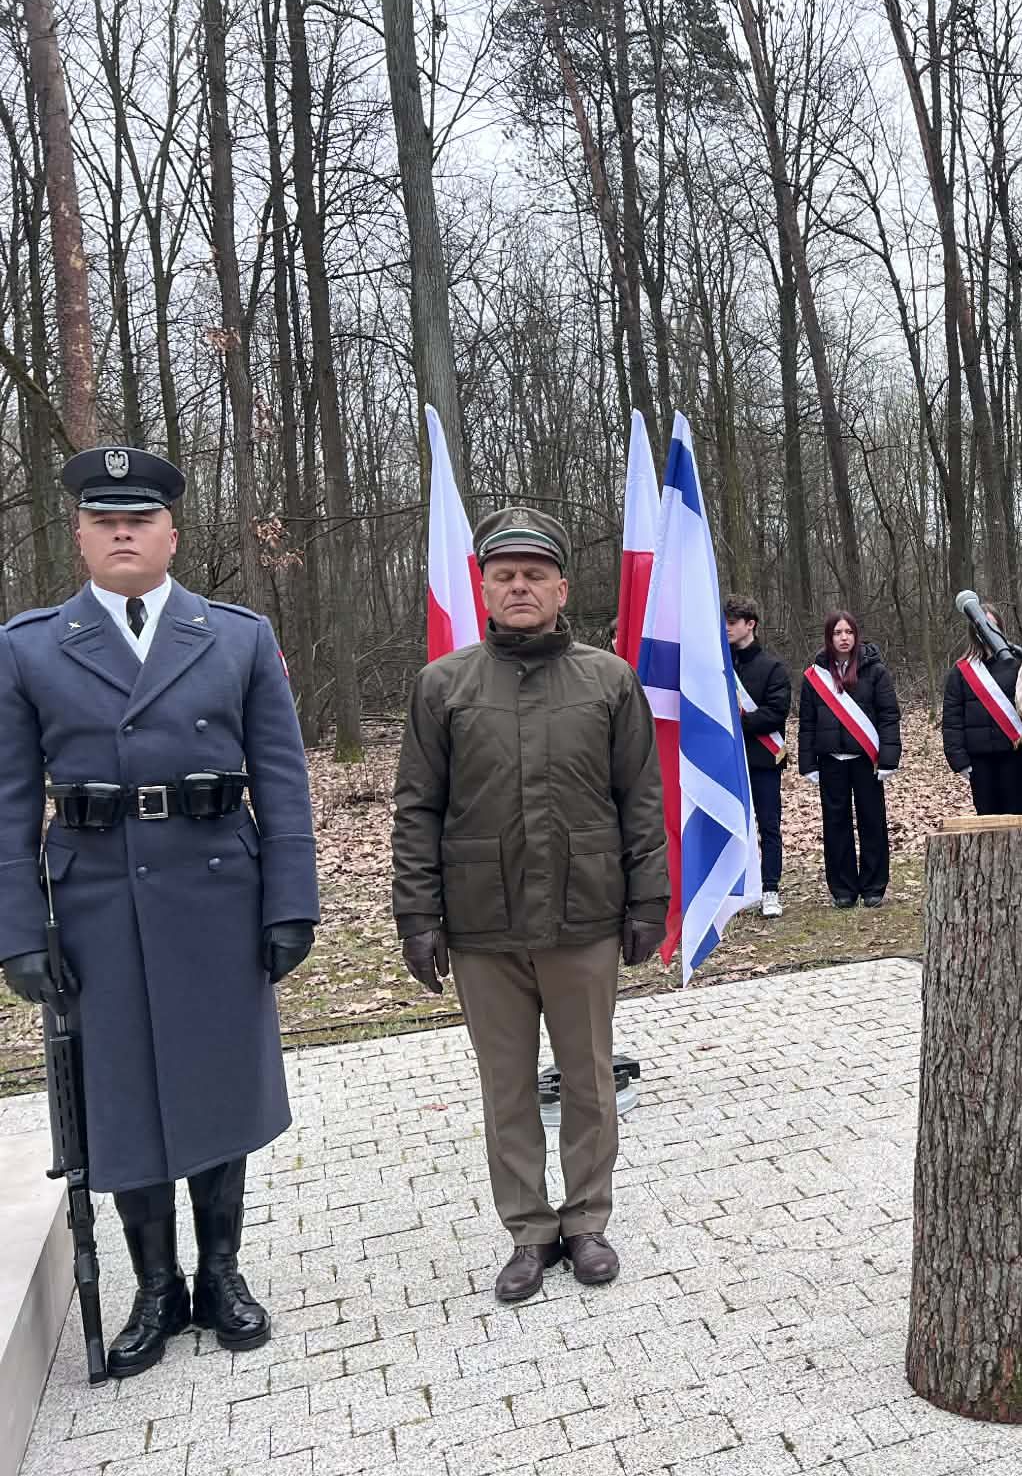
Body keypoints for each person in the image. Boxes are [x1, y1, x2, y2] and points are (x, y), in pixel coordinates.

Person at [0, 447, 318, 1377]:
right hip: (96, 903)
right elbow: (10, 804)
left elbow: (284, 783)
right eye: (106, 521)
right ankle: (156, 1287)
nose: (124, 532)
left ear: (173, 535)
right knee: (123, 1094)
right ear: (81, 538)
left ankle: (221, 1275)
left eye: (141, 520)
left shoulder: (236, 637)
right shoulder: (27, 647)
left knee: (219, 1081)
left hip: (219, 892)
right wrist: (19, 930)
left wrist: (289, 902)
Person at [392, 507, 668, 1303]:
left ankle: (586, 1223)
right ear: (484, 587)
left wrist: (647, 898)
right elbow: (417, 807)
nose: (519, 586)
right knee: (506, 1086)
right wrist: (418, 914)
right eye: (505, 574)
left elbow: (638, 799)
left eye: (534, 574)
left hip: (584, 912)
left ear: (560, 588)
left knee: (587, 1077)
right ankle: (528, 1232)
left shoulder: (608, 680)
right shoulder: (443, 686)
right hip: (482, 923)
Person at [798, 611, 902, 906]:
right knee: (835, 825)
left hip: (865, 760)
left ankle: (873, 886)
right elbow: (807, 723)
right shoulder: (814, 677)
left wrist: (889, 758)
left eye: (848, 632)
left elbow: (889, 717)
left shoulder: (876, 672)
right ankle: (842, 889)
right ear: (829, 638)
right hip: (831, 761)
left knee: (872, 822)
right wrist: (808, 764)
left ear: (856, 636)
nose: (844, 638)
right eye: (837, 633)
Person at [941, 603, 1022, 815]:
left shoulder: (1017, 665)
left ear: (999, 628)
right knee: (986, 818)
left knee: (1016, 819)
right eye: (981, 627)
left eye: (991, 625)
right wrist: (958, 760)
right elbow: (952, 720)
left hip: (1014, 756)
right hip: (978, 761)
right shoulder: (960, 672)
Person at [726, 596, 791, 918]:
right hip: (727, 760)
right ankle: (738, 888)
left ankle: (770, 889)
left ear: (750, 624)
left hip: (763, 760)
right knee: (733, 827)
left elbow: (775, 715)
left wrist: (737, 721)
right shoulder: (718, 665)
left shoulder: (773, 667)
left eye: (732, 622)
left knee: (769, 825)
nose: (726, 628)